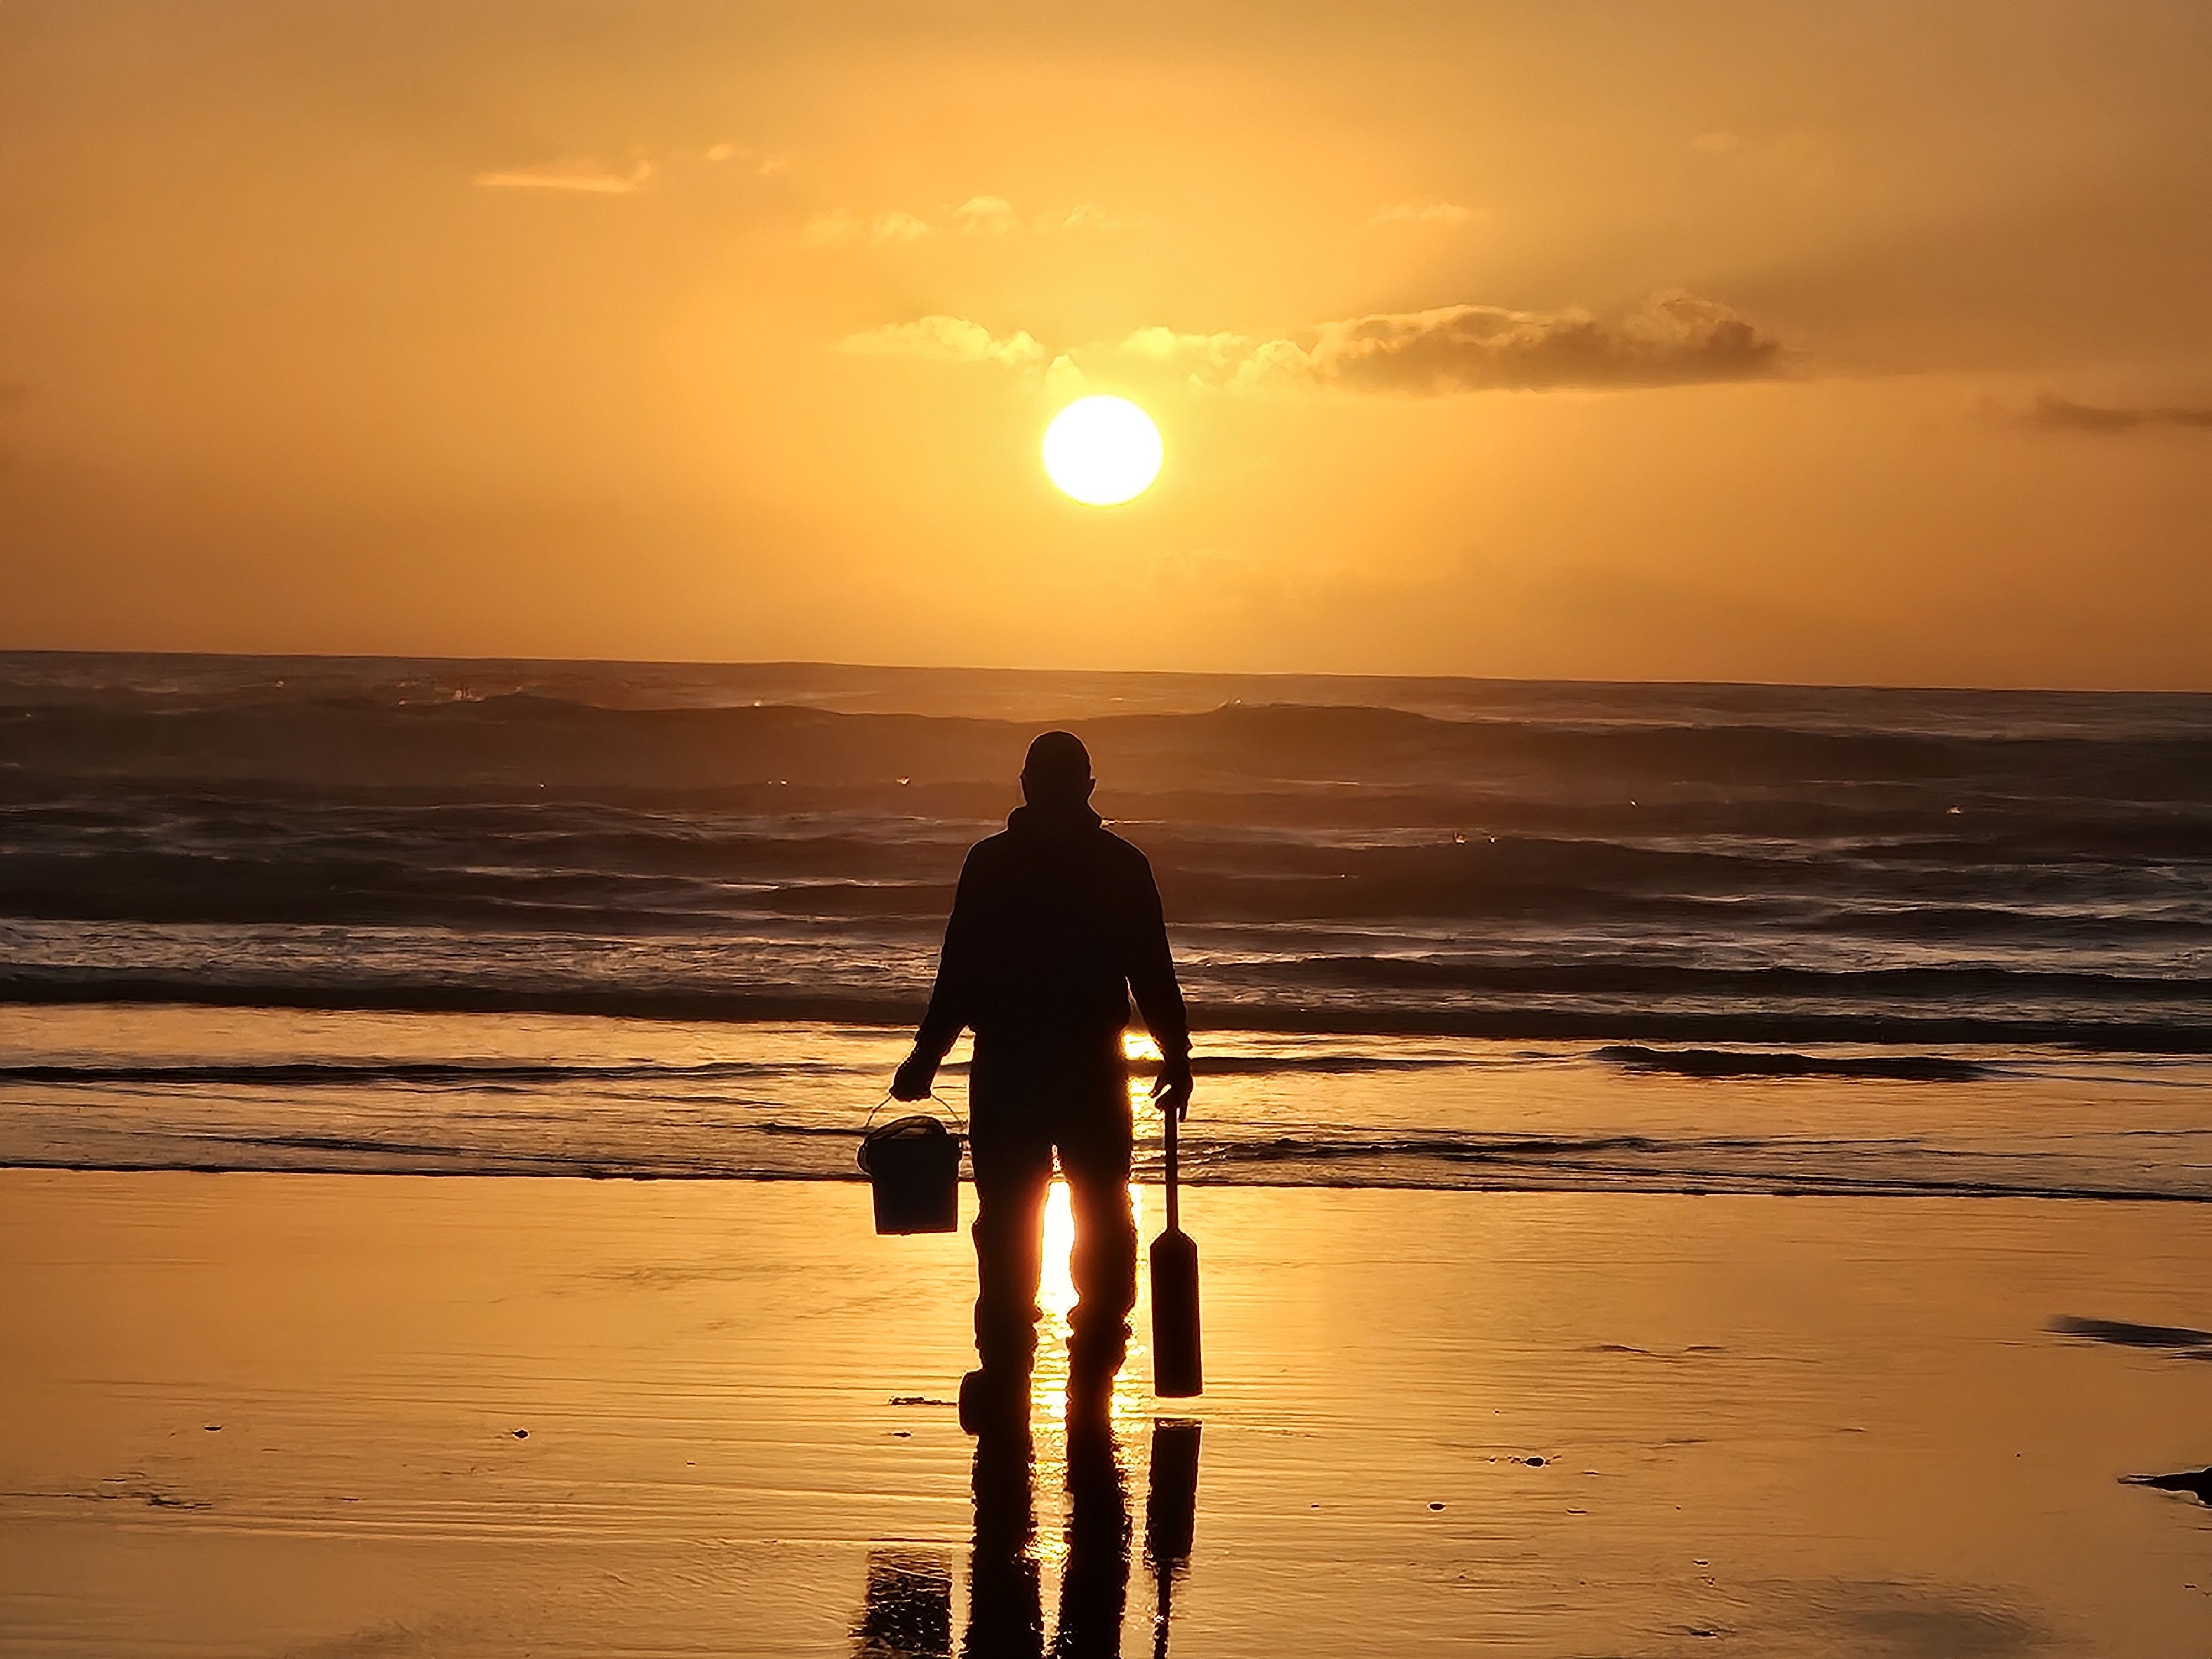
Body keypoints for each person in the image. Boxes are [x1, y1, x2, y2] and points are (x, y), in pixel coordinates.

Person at [890, 730, 1193, 1432]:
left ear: (1025, 784)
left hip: (1010, 1070)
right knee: (1102, 1217)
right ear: (1089, 788)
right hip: (1091, 1068)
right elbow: (1152, 970)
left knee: (1007, 1226)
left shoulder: (991, 863)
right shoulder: (1121, 864)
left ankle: (1007, 1374)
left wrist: (926, 1056)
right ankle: (1093, 1369)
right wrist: (1176, 1054)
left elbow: (958, 975)